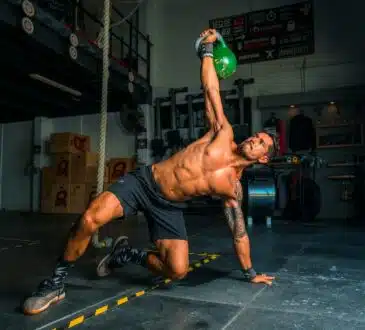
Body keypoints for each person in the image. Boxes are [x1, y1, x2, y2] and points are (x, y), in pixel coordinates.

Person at [23, 29, 277, 315]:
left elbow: (239, 233)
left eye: (261, 143)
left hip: (168, 207)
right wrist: (207, 49)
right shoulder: (222, 133)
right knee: (91, 217)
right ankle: (55, 282)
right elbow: (211, 89)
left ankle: (126, 253)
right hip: (144, 182)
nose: (254, 139)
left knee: (178, 270)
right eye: (256, 136)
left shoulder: (233, 188)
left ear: (263, 159)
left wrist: (250, 272)